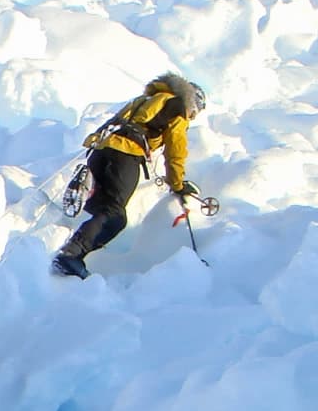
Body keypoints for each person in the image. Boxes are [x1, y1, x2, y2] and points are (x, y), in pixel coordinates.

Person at [53, 73, 206, 279]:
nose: (192, 118)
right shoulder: (178, 106)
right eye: (195, 113)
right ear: (193, 103)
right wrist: (177, 184)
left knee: (102, 207)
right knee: (115, 215)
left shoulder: (146, 100)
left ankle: (87, 199)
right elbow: (175, 150)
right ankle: (72, 253)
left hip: (101, 150)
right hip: (125, 154)